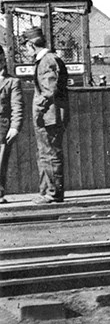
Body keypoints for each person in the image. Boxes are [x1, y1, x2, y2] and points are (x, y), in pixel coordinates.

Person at [26, 27, 68, 204]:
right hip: (50, 114)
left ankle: (52, 193)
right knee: (45, 153)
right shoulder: (50, 59)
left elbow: (49, 90)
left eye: (26, 47)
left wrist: (38, 107)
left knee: (49, 153)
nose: (26, 51)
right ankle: (46, 191)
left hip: (50, 115)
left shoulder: (46, 61)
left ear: (31, 44)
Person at [0, 55, 20, 203]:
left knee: (0, 161)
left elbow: (17, 107)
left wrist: (14, 126)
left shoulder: (12, 82)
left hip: (2, 124)